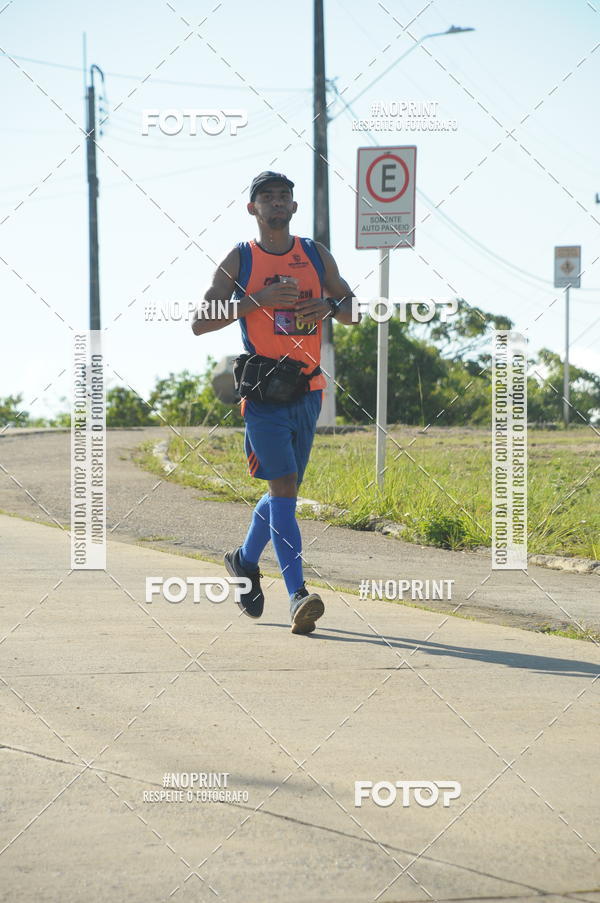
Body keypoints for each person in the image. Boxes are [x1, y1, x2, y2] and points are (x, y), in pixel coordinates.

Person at [192, 170, 359, 634]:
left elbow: (355, 311)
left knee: (282, 497)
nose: (277, 202)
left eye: (284, 196)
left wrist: (327, 307)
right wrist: (256, 300)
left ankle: (244, 561)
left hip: (308, 391)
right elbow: (201, 321)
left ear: (293, 207)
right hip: (264, 394)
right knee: (283, 494)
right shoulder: (239, 259)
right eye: (267, 197)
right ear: (253, 209)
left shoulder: (314, 254)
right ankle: (298, 596)